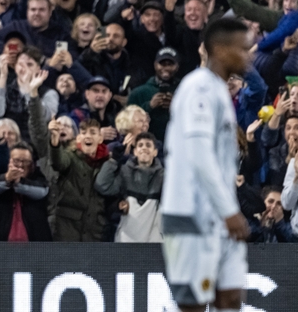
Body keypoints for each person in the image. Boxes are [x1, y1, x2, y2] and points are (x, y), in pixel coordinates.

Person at [161, 18, 252, 312]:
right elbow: (199, 153)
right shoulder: (197, 88)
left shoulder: (219, 91)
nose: (248, 54)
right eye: (242, 48)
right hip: (190, 214)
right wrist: (230, 211)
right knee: (195, 305)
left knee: (231, 297)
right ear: (219, 50)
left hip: (219, 215)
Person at [95, 132, 163, 243]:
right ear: (135, 151)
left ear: (155, 152)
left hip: (154, 242)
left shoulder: (163, 177)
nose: (144, 148)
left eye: (148, 145)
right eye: (140, 145)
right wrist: (114, 160)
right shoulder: (125, 172)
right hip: (126, 240)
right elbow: (102, 185)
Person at [0, 141, 52, 241]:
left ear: (32, 165)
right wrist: (7, 180)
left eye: (26, 161)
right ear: (9, 161)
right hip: (0, 244)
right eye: (16, 160)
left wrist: (19, 182)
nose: (20, 165)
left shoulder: (38, 179)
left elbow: (42, 192)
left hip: (33, 246)